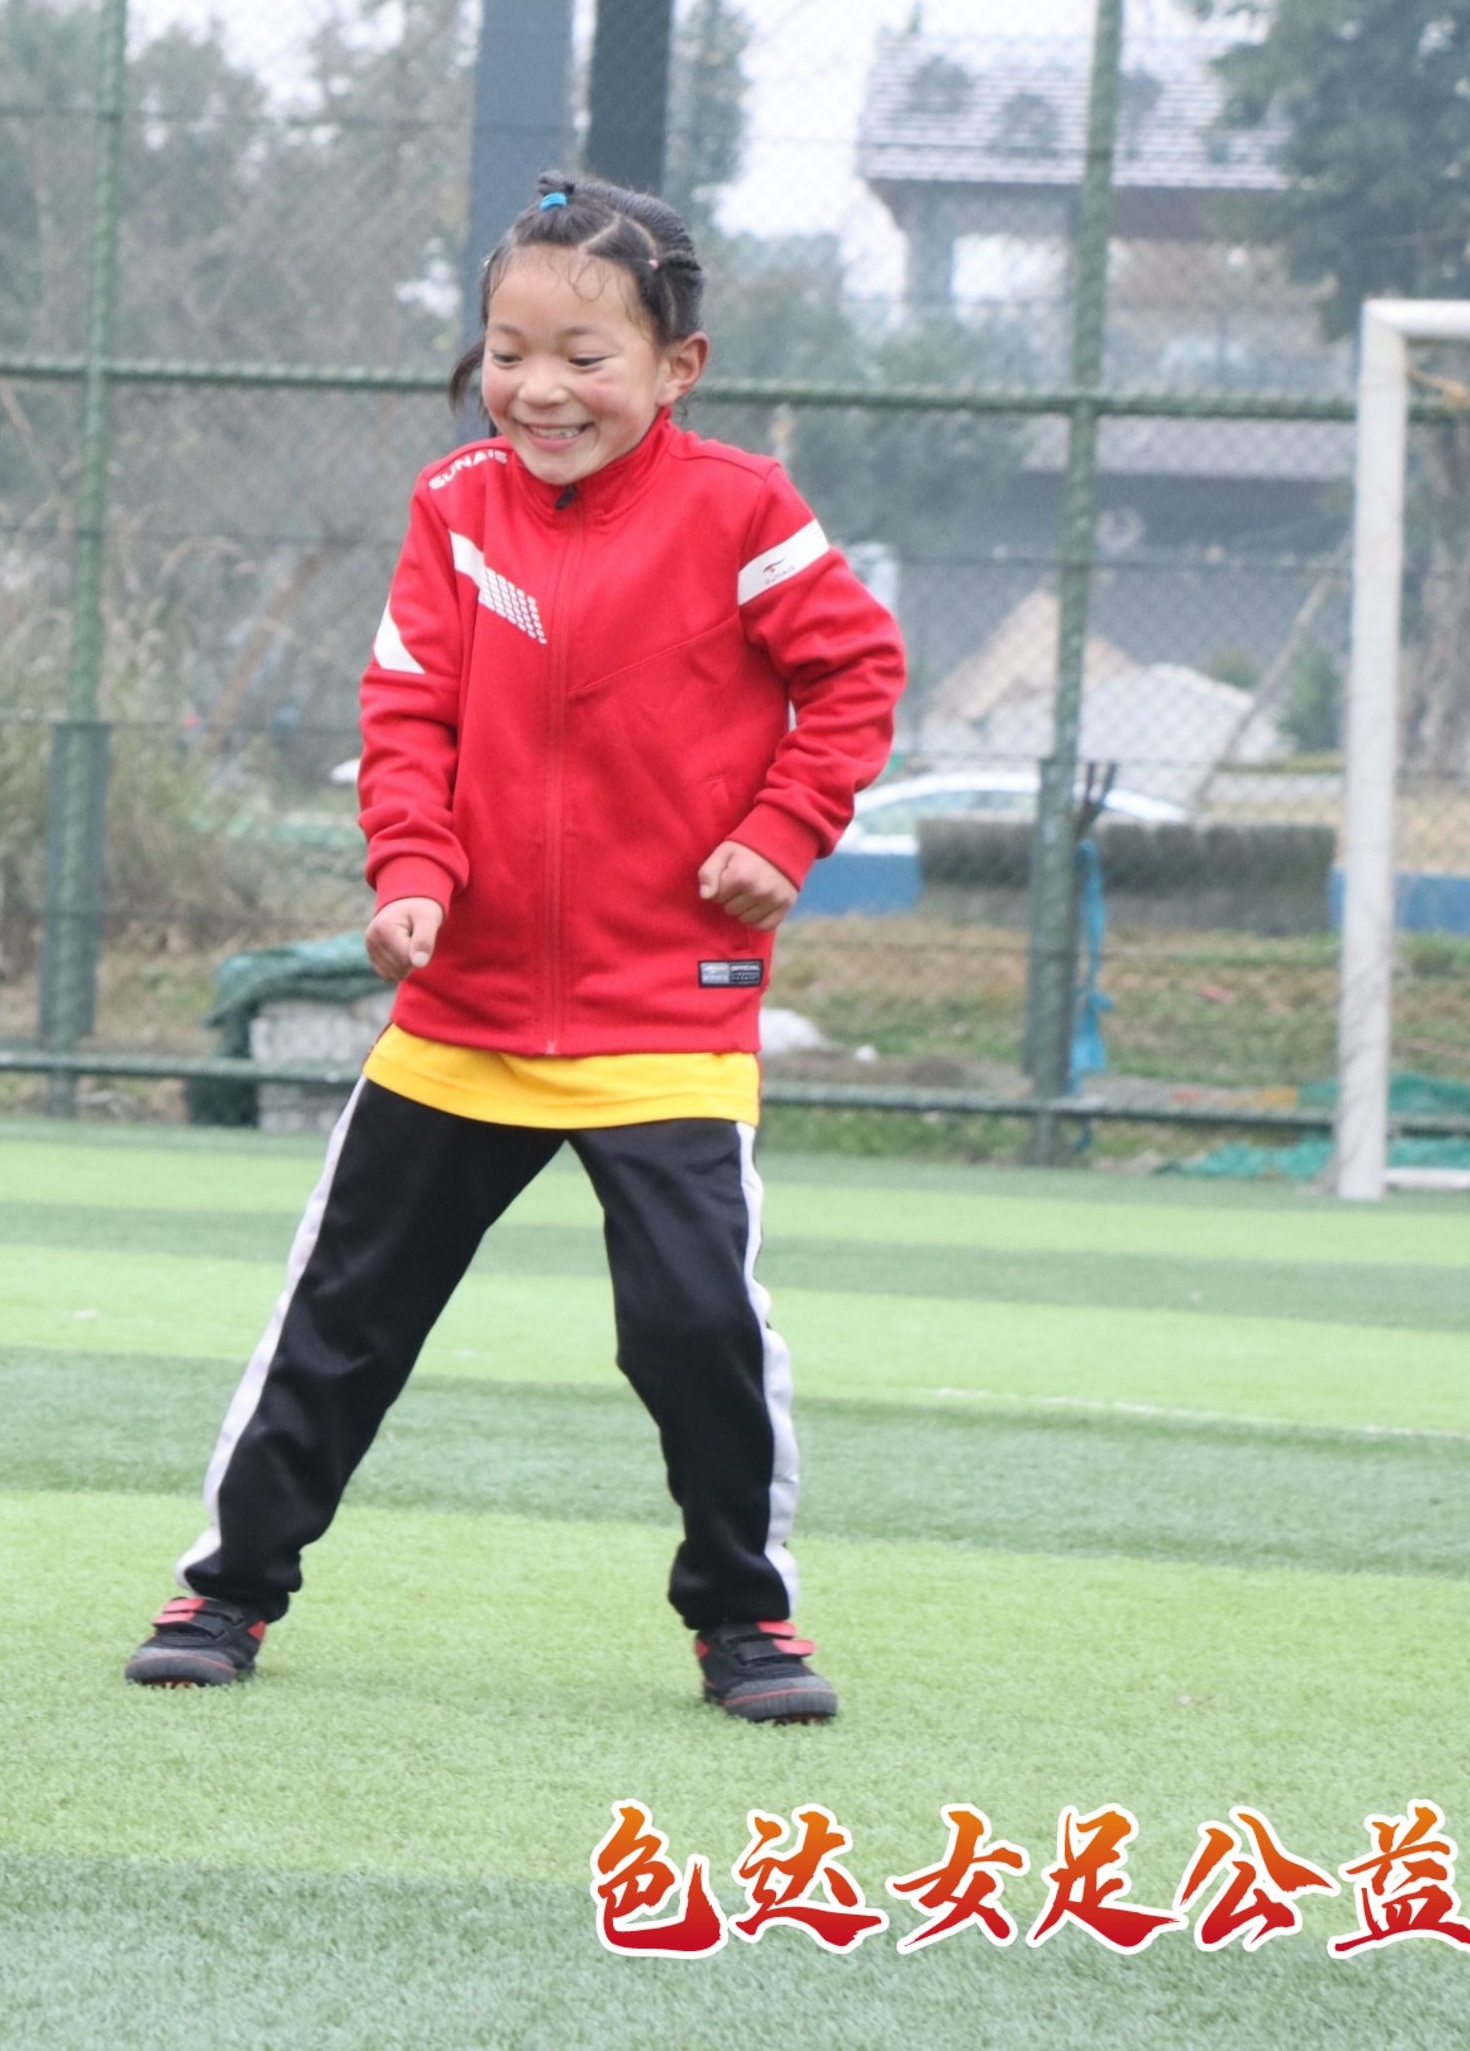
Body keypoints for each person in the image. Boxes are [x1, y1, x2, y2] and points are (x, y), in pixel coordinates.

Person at [122, 174, 906, 1723]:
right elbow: (404, 707)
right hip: (459, 1016)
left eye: (583, 355)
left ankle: (742, 1620)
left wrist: (781, 828)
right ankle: (226, 1590)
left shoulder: (744, 511)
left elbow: (855, 672)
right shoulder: (451, 506)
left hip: (662, 1021)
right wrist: (410, 866)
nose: (538, 386)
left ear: (675, 368)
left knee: (692, 1327)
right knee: (340, 1319)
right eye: (506, 348)